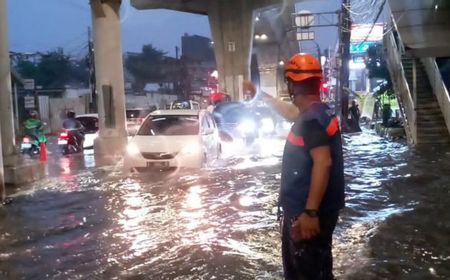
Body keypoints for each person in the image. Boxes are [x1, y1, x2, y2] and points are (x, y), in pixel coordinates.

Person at [244, 53, 345, 279]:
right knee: (319, 270)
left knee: (302, 273)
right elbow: (291, 113)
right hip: (322, 210)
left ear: (291, 85)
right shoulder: (319, 113)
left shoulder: (310, 122)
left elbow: (323, 162)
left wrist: (309, 212)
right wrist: (261, 95)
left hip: (306, 213)